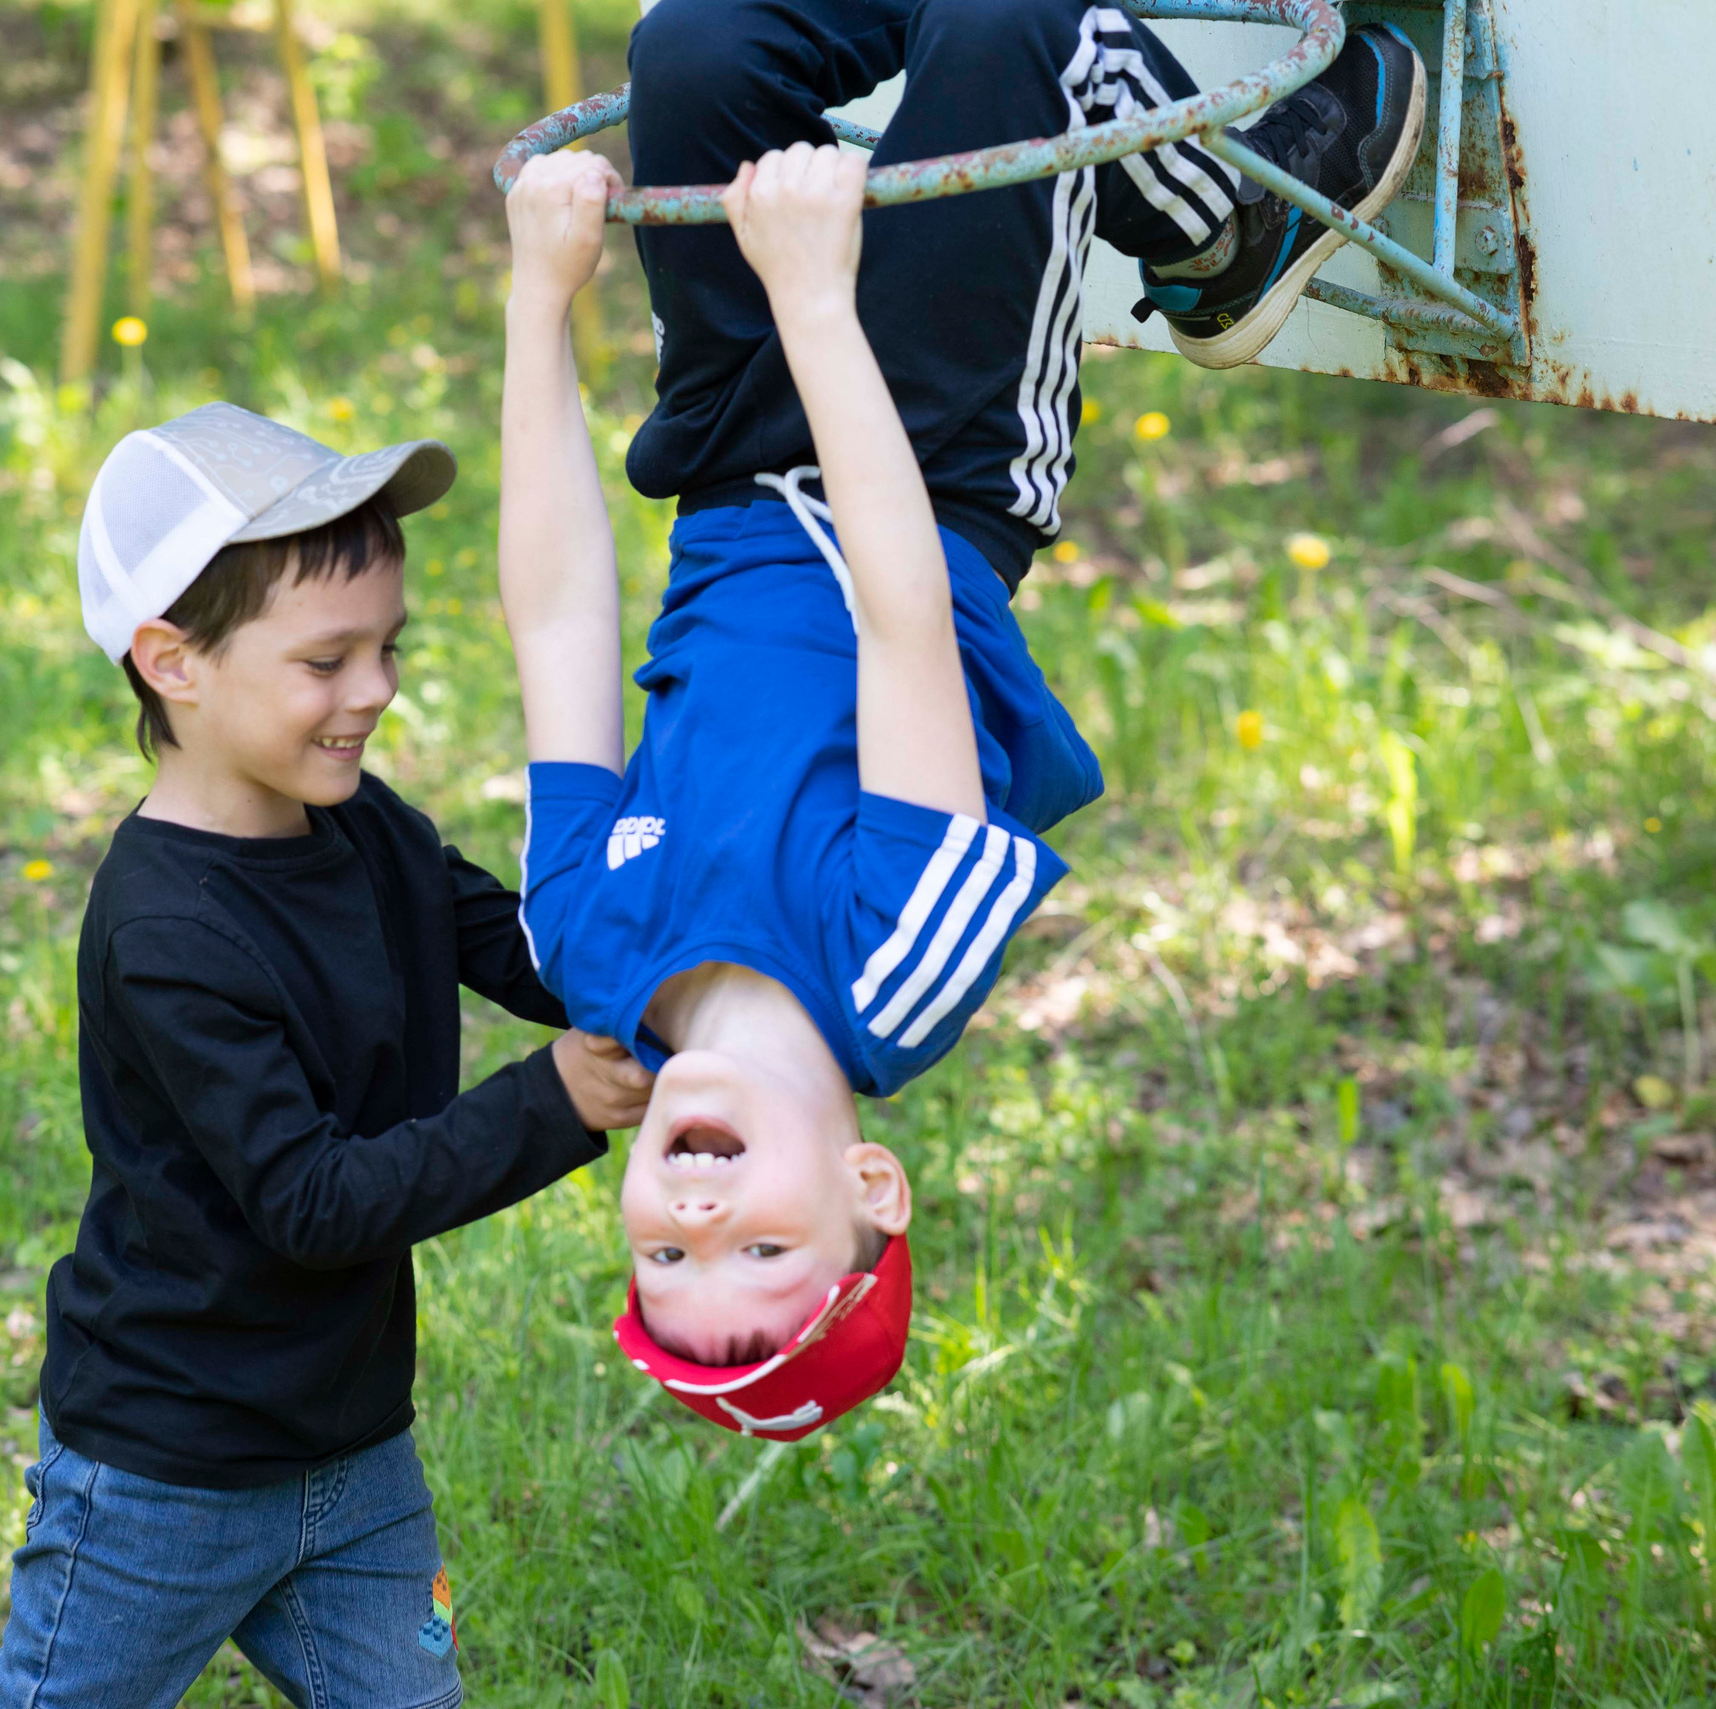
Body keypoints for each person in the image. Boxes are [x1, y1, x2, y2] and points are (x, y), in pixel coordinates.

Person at [496, 3, 1421, 1435]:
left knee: (693, 52)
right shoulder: (891, 973)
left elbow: (556, 617)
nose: (696, 1208)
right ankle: (1229, 226)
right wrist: (815, 300)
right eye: (762, 1247)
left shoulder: (585, 943)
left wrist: (538, 302)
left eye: (663, 1251)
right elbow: (901, 620)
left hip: (732, 456)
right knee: (1008, 30)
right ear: (874, 1189)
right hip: (933, 465)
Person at [0, 402, 653, 1708]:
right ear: (172, 660)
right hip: (161, 1470)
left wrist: (675, 979)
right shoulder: (167, 926)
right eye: (327, 659)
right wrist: (556, 1101)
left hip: (352, 1456)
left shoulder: (356, 819)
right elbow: (312, 1200)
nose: (377, 690)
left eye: (388, 647)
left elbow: (513, 940)